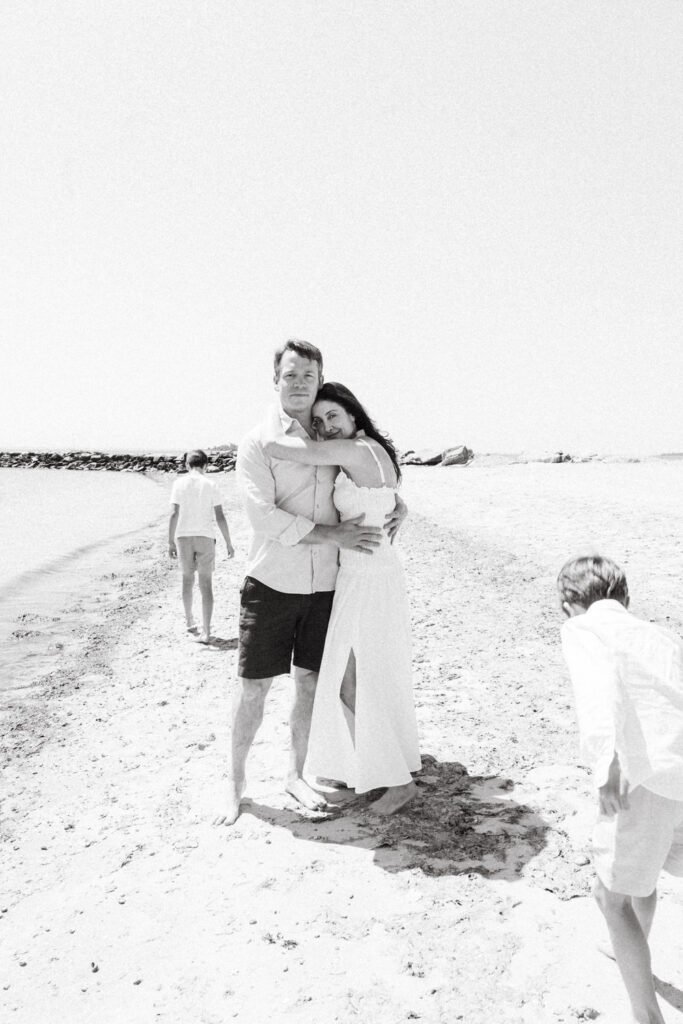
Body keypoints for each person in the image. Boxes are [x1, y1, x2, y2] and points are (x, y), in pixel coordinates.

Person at [214, 340, 406, 826]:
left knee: (311, 684)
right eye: (290, 375)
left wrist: (399, 505)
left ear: (320, 380)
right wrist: (333, 534)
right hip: (273, 581)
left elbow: (372, 478)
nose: (299, 383)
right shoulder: (258, 441)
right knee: (253, 687)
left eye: (308, 375)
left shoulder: (328, 432)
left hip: (329, 585)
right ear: (275, 379)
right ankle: (233, 784)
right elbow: (262, 517)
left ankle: (295, 774)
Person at [263, 381, 421, 814]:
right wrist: (398, 504)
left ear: (354, 415)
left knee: (352, 678)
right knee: (364, 674)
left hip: (368, 574)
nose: (325, 426)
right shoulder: (366, 449)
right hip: (368, 570)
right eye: (319, 421)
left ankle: (398, 782)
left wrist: (269, 427)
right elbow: (380, 494)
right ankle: (372, 761)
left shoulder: (355, 450)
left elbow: (286, 451)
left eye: (334, 416)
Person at [558, 554, 683, 1024]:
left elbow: (598, 692)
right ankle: (635, 946)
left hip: (641, 774)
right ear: (625, 598)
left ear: (568, 604)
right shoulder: (659, 633)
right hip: (682, 768)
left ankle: (647, 1016)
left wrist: (607, 765)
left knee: (609, 896)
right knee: (643, 878)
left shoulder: (582, 629)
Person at [168, 449, 234, 644]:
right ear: (206, 465)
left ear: (187, 465)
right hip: (205, 537)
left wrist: (170, 540)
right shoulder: (211, 484)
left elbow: (174, 513)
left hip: (183, 537)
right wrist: (228, 542)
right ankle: (206, 632)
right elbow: (220, 516)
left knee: (187, 579)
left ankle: (189, 621)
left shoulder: (179, 483)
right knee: (206, 584)